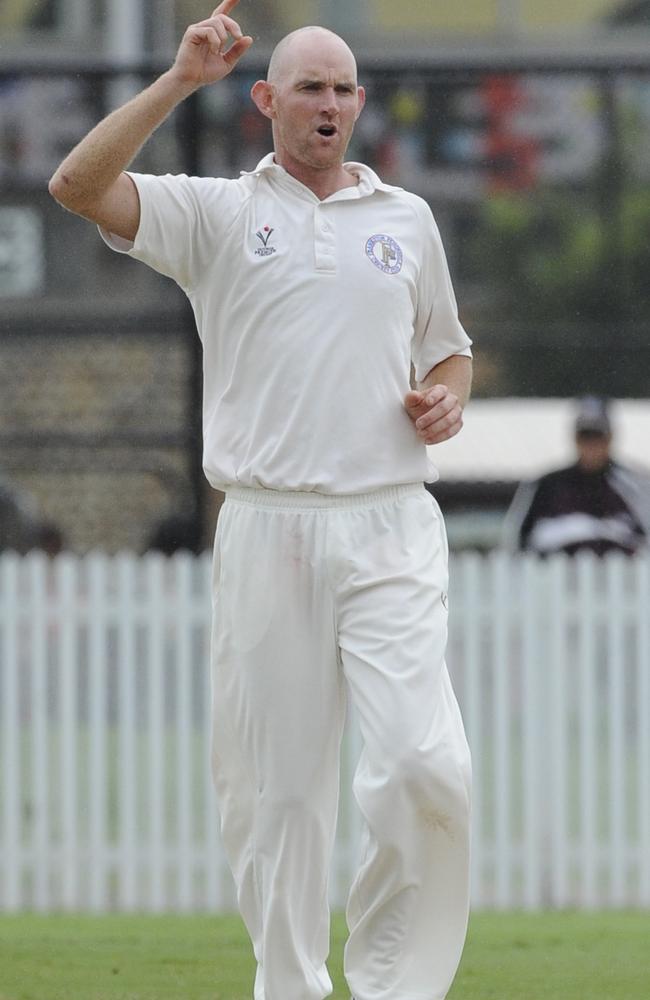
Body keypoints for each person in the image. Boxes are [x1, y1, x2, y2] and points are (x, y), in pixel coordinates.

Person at [48, 5, 473, 999]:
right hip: (266, 521)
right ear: (266, 100)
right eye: (308, 87)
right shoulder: (216, 214)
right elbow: (76, 186)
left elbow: (446, 348)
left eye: (341, 88)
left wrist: (443, 398)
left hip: (388, 520)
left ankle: (393, 983)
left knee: (423, 763)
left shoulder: (404, 220)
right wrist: (178, 78)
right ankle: (287, 987)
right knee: (277, 799)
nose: (327, 104)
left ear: (359, 105)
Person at [504, 396, 649, 556]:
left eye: (598, 436)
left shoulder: (634, 484)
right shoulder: (548, 485)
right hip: (556, 577)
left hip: (624, 577)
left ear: (610, 438)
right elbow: (519, 537)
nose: (591, 444)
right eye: (585, 436)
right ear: (574, 438)